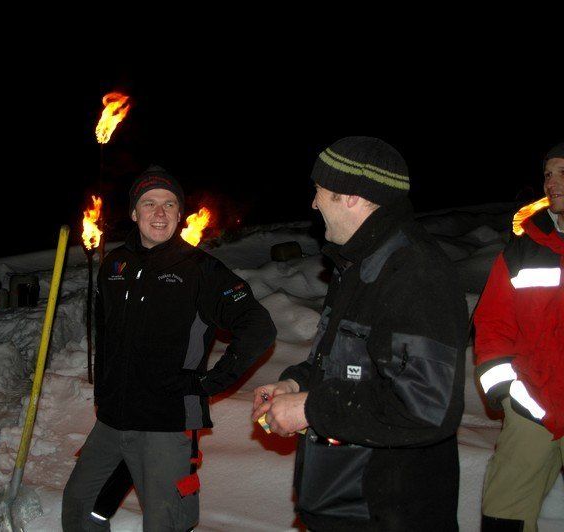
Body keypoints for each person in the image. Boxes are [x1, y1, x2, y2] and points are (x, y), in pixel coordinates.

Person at [252, 137, 467, 531]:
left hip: (392, 509)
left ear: (351, 196)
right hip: (344, 499)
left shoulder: (415, 272)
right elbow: (349, 362)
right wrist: (297, 383)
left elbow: (425, 407)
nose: (313, 204)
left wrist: (309, 408)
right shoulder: (357, 264)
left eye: (320, 190)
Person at [62, 164, 277, 531]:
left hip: (167, 422)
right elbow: (106, 332)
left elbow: (258, 327)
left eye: (169, 204)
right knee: (80, 505)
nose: (159, 213)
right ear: (134, 213)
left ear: (180, 214)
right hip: (112, 419)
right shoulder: (114, 264)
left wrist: (210, 382)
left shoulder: (201, 270)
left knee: (166, 522)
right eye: (149, 203)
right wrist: (105, 392)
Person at [474, 142, 564, 532]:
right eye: (548, 174)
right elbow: (492, 324)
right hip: (534, 407)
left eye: (563, 173)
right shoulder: (523, 250)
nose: (552, 183)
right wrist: (507, 394)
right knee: (504, 515)